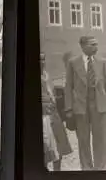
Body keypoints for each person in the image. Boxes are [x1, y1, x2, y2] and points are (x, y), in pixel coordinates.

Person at [64, 36, 106, 170]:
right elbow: (68, 86)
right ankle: (86, 169)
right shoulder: (73, 63)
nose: (96, 47)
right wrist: (69, 108)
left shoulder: (102, 62)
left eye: (97, 44)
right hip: (80, 107)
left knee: (100, 139)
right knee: (83, 139)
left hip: (99, 106)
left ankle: (100, 168)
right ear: (82, 46)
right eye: (92, 44)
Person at [40, 53, 73, 171]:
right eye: (39, 59)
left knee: (58, 147)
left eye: (43, 59)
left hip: (54, 115)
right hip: (43, 116)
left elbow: (53, 94)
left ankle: (57, 172)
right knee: (45, 146)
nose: (42, 62)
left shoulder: (47, 76)